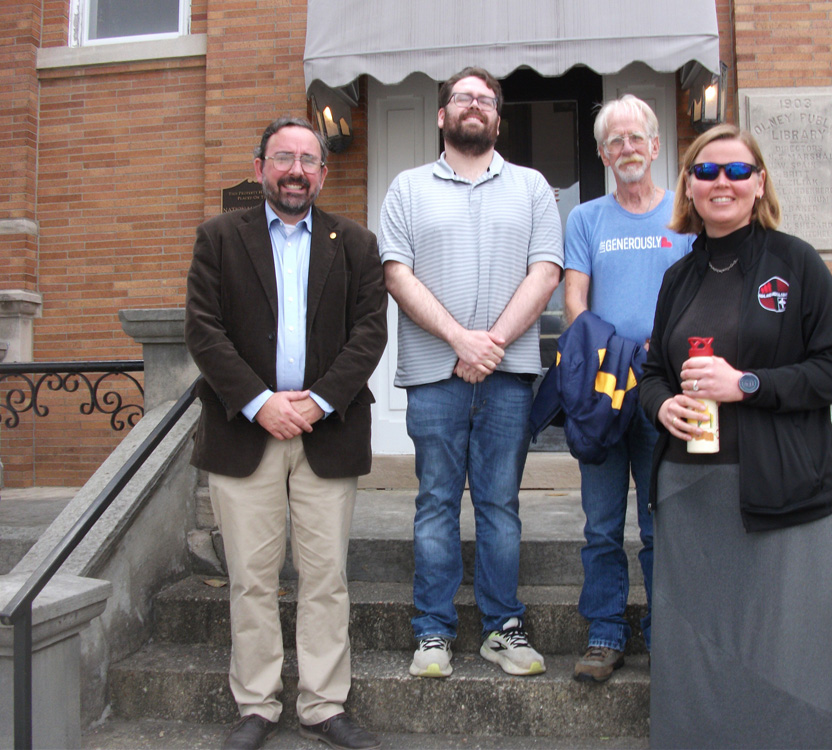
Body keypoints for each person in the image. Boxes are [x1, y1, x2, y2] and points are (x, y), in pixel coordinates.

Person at [638, 123, 832, 748]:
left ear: (759, 183)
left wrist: (748, 385)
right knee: (701, 661)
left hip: (783, 494)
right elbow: (653, 372)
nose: (722, 183)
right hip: (692, 493)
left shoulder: (796, 262)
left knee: (791, 660)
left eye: (737, 172)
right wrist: (660, 407)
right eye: (707, 171)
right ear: (688, 184)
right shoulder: (678, 278)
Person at [185, 116, 387, 750]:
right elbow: (203, 329)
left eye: (308, 159)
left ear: (323, 173)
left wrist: (320, 402)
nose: (296, 170)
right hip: (244, 435)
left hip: (328, 433)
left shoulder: (353, 242)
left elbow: (370, 332)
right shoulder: (219, 237)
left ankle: (325, 705)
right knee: (251, 577)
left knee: (326, 577)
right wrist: (257, 402)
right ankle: (256, 704)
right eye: (283, 158)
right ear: (260, 167)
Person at [378, 67, 563, 680]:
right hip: (434, 374)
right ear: (442, 115)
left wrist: (493, 344)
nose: (473, 106)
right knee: (434, 501)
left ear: (498, 118)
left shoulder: (533, 188)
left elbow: (545, 272)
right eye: (462, 98)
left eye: (485, 99)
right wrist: (461, 340)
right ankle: (432, 631)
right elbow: (397, 274)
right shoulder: (406, 188)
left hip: (509, 376)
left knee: (500, 503)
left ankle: (501, 628)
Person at [562, 95, 693, 682]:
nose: (627, 149)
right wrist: (594, 364)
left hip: (667, 392)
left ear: (656, 145)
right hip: (607, 393)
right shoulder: (586, 219)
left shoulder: (684, 217)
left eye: (636, 138)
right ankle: (605, 633)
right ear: (602, 153)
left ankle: (669, 632)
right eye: (615, 141)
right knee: (600, 523)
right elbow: (574, 300)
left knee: (662, 520)